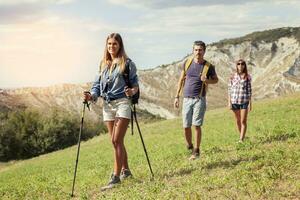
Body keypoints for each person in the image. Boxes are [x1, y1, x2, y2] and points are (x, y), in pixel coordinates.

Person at [84, 33, 139, 190]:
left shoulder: (127, 64)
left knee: (116, 140)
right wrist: (91, 96)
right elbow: (96, 86)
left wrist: (131, 92)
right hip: (107, 105)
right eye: (109, 44)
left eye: (115, 44)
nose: (111, 47)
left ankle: (115, 177)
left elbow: (135, 85)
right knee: (117, 142)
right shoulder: (103, 64)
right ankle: (126, 171)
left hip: (123, 102)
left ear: (120, 45)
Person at [174, 41, 218, 160]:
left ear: (204, 51)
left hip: (199, 99)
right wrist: (177, 96)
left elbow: (216, 80)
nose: (198, 52)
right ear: (193, 51)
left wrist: (206, 80)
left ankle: (196, 151)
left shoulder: (208, 66)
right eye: (196, 50)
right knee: (185, 126)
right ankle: (190, 145)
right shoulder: (187, 63)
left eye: (200, 50)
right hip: (186, 99)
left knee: (196, 125)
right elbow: (181, 80)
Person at [228, 59, 252, 142]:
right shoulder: (232, 76)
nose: (240, 65)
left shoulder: (247, 77)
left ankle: (241, 140)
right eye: (238, 64)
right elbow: (229, 90)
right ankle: (242, 136)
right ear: (236, 66)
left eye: (242, 64)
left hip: (244, 101)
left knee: (243, 120)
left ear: (244, 66)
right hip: (234, 101)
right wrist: (229, 102)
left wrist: (250, 103)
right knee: (238, 120)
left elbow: (249, 90)